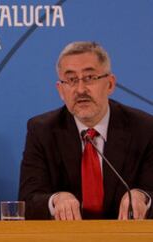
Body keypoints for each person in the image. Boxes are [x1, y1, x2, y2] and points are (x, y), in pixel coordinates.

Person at [19, 41, 153, 220]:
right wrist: (55, 200)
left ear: (110, 84)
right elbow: (27, 201)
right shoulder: (42, 131)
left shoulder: (144, 128)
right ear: (61, 90)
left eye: (90, 78)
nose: (80, 89)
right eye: (71, 80)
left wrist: (143, 197)